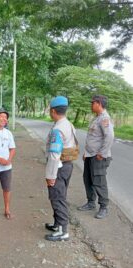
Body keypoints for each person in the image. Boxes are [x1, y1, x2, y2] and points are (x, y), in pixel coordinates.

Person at [44, 96, 78, 242]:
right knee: (60, 196)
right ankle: (57, 224)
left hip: (59, 167)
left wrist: (51, 176)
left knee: (57, 198)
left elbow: (54, 154)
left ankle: (63, 231)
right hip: (67, 165)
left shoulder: (58, 129)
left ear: (53, 111)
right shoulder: (68, 124)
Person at [77, 95, 114, 219]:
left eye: (92, 103)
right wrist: (86, 153)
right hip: (90, 155)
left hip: (98, 157)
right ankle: (90, 203)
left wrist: (102, 153)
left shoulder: (104, 118)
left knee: (99, 182)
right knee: (88, 179)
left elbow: (109, 137)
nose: (91, 105)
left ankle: (104, 207)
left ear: (98, 103)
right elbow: (94, 138)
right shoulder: (96, 118)